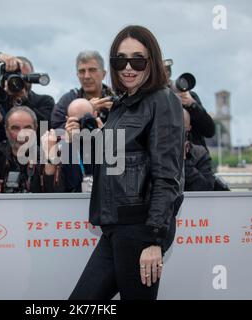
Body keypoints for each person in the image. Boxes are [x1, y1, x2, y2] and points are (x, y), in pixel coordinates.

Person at [70, 25, 185, 300]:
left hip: (140, 232)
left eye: (138, 59)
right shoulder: (123, 103)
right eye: (121, 60)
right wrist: (85, 139)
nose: (128, 67)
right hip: (114, 229)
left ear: (152, 61)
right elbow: (118, 158)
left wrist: (154, 239)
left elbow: (167, 176)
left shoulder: (163, 100)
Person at [0, 52, 55, 132]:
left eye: (25, 77)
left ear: (33, 77)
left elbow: (45, 129)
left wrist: (23, 101)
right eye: (16, 76)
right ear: (4, 77)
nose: (20, 82)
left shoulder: (45, 101)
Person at [0, 106, 62, 193]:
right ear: (6, 130)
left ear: (35, 129)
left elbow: (55, 198)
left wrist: (50, 161)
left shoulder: (45, 157)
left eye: (27, 128)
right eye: (15, 128)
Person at [51, 50, 114, 129]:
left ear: (104, 74)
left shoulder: (117, 99)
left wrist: (116, 112)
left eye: (92, 70)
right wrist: (84, 111)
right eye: (82, 71)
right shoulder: (67, 100)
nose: (86, 76)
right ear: (77, 75)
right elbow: (55, 131)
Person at [164, 58, 215, 150]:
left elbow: (209, 131)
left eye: (167, 71)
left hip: (195, 159)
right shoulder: (152, 100)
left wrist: (192, 105)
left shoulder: (189, 96)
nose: (166, 74)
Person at [60, 98, 102, 192]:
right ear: (67, 120)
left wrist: (104, 139)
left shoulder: (107, 138)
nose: (83, 124)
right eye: (78, 121)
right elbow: (68, 184)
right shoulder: (61, 147)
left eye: (87, 119)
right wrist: (69, 144)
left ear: (95, 115)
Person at [183, 109, 215, 191]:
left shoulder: (200, 154)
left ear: (189, 128)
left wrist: (185, 161)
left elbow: (207, 189)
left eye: (183, 128)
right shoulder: (156, 151)